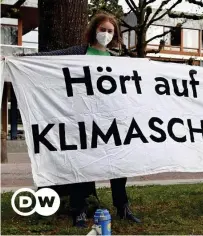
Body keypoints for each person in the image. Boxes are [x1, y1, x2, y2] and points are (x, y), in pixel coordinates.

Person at [19, 13, 140, 226]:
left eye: (110, 31)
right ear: (94, 30)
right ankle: (79, 209)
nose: (106, 34)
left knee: (119, 166)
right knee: (81, 164)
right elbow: (48, 57)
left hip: (109, 122)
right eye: (102, 29)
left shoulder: (116, 61)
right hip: (81, 121)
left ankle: (122, 206)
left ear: (115, 35)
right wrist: (20, 59)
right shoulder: (78, 53)